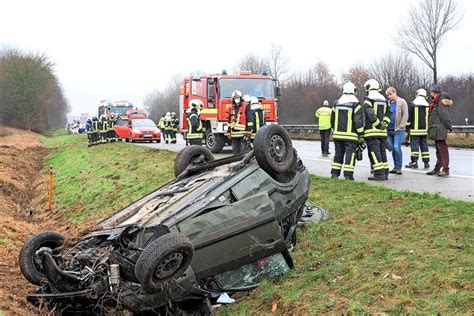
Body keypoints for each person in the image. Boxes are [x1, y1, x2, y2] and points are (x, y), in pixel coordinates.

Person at [330, 82, 364, 180]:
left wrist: (334, 129)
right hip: (351, 136)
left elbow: (332, 119)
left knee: (338, 154)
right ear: (354, 91)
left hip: (337, 135)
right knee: (350, 155)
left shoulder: (336, 103)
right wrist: (361, 134)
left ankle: (334, 174)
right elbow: (358, 121)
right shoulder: (355, 104)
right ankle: (348, 176)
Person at [362, 79, 392, 181]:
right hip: (383, 133)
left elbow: (369, 113)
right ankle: (385, 172)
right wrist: (384, 124)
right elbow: (389, 113)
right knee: (382, 152)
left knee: (374, 152)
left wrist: (378, 124)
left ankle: (379, 174)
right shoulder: (384, 99)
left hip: (372, 132)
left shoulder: (368, 99)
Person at [427, 85, 453, 177]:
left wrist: (449, 126)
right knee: (439, 150)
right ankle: (437, 168)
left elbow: (444, 116)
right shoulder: (436, 102)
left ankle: (446, 170)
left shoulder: (441, 102)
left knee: (442, 150)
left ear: (434, 93)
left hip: (440, 129)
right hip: (436, 129)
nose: (430, 94)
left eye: (431, 92)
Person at [385, 87, 409, 175]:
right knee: (392, 148)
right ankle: (395, 166)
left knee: (396, 147)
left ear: (395, 93)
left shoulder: (402, 102)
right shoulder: (387, 103)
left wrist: (401, 126)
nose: (389, 97)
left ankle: (399, 167)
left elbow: (405, 115)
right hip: (389, 129)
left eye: (390, 94)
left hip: (398, 130)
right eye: (388, 95)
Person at [406, 89, 430, 169]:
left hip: (415, 130)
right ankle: (426, 163)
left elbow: (409, 117)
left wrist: (407, 127)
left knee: (414, 147)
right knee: (424, 146)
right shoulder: (427, 105)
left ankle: (414, 162)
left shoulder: (413, 104)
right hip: (424, 130)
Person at [227, 90, 248, 155]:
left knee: (243, 152)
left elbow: (249, 119)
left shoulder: (246, 106)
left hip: (243, 133)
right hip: (234, 134)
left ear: (241, 98)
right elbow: (229, 121)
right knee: (235, 152)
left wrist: (248, 130)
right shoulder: (231, 108)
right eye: (235, 98)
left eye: (238, 98)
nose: (236, 99)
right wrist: (228, 131)